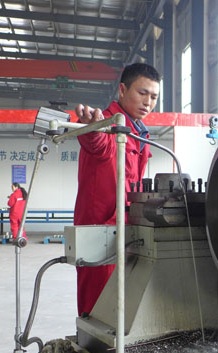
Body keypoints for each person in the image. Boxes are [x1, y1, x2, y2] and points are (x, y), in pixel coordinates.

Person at [74, 63, 160, 316]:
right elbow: (96, 141)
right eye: (142, 93)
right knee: (97, 306)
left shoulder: (138, 133)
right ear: (122, 90)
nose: (148, 102)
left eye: (154, 97)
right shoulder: (109, 126)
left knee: (122, 306)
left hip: (127, 229)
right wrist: (90, 127)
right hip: (100, 230)